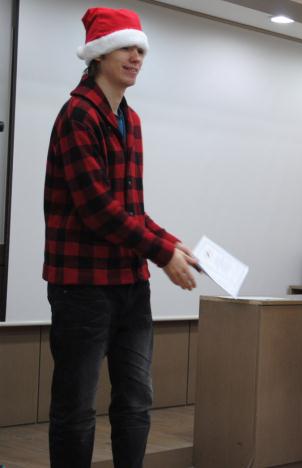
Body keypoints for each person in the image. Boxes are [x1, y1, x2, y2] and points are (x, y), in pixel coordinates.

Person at [43, 8, 199, 468]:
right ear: (100, 54)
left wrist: (170, 242)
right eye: (127, 48)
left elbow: (129, 209)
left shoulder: (131, 119)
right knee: (76, 408)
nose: (136, 57)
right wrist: (161, 253)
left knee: (135, 402)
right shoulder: (78, 114)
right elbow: (96, 208)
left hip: (130, 285)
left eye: (141, 50)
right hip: (82, 286)